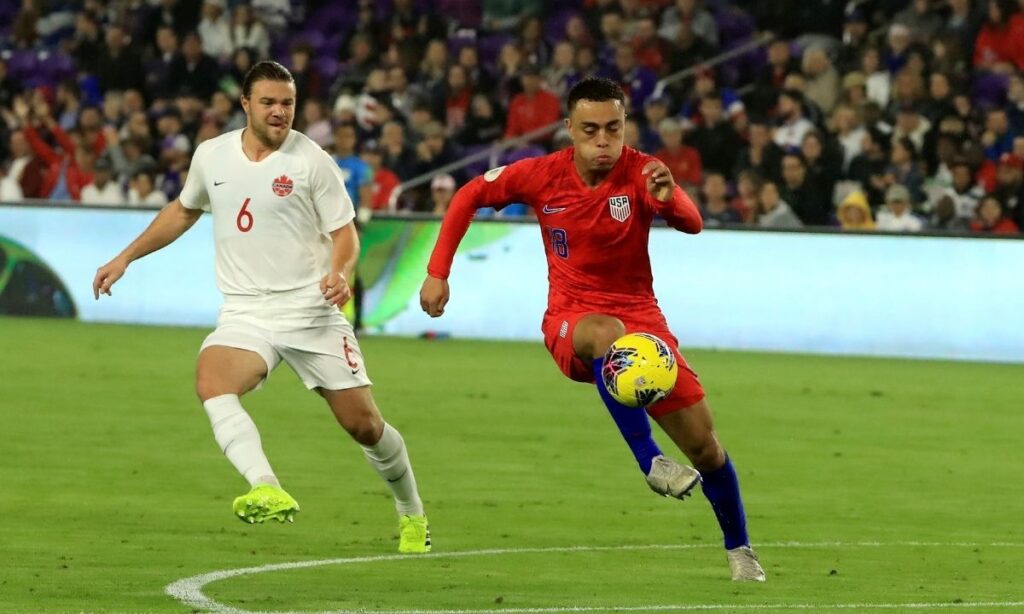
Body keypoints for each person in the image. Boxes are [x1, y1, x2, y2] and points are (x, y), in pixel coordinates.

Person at [418, 78, 765, 582]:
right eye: (590, 130)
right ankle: (651, 462)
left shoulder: (643, 171)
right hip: (572, 320)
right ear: (569, 128)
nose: (603, 140)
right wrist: (438, 271)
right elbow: (470, 194)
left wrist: (669, 199)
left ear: (624, 126)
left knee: (706, 448)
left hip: (643, 325)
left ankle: (741, 552)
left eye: (612, 128)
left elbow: (692, 223)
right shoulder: (541, 174)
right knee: (606, 333)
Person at [91, 61, 431, 553]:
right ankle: (265, 485)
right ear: (246, 104)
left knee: (365, 426)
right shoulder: (212, 156)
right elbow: (183, 210)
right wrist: (125, 257)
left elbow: (345, 233)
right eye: (269, 102)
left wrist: (339, 273)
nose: (279, 112)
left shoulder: (312, 161)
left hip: (310, 311)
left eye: (287, 103)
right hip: (246, 309)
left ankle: (411, 512)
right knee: (212, 381)